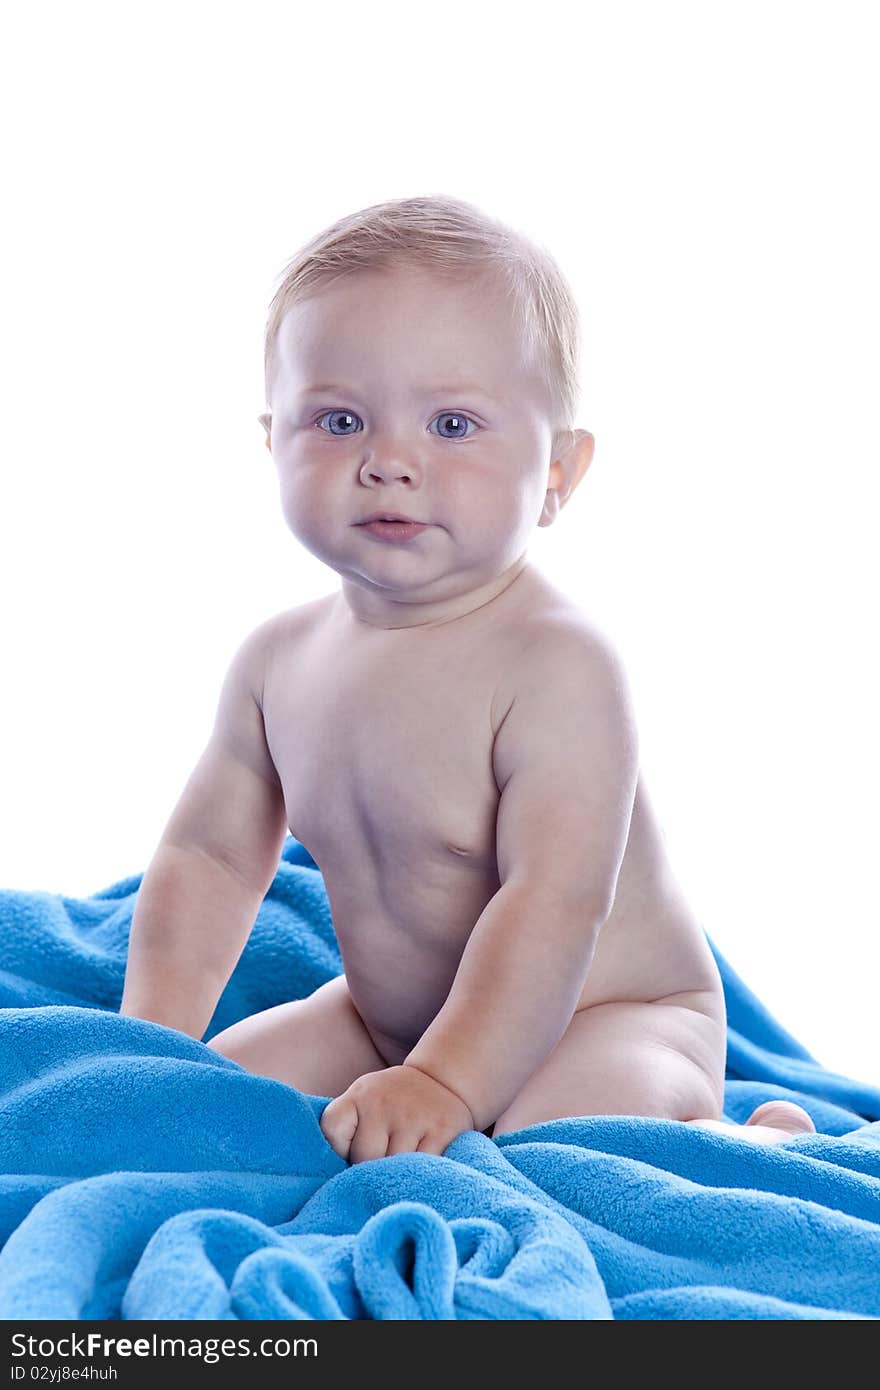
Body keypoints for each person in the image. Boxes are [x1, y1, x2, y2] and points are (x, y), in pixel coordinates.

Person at [119, 195, 815, 1163]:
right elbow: (211, 859)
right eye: (339, 418)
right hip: (387, 1021)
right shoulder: (277, 663)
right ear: (272, 439)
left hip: (608, 1013)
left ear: (560, 473)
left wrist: (446, 1082)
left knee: (557, 1144)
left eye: (451, 423)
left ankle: (744, 1138)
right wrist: (149, 1038)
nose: (390, 461)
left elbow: (552, 899)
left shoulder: (558, 665)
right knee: (210, 1106)